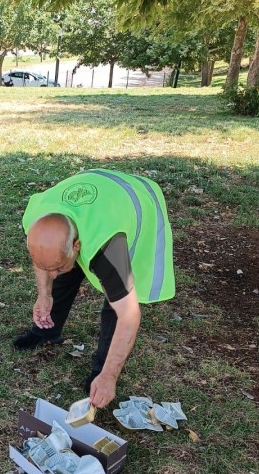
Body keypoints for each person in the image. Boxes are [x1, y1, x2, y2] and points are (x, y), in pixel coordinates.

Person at [14, 169, 175, 409]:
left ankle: (102, 369)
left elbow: (128, 316)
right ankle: (47, 331)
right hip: (95, 199)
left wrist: (109, 375)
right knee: (63, 269)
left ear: (78, 245)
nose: (51, 274)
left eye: (55, 267)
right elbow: (46, 262)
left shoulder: (107, 247)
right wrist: (44, 294)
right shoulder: (36, 219)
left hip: (137, 200)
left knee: (116, 300)